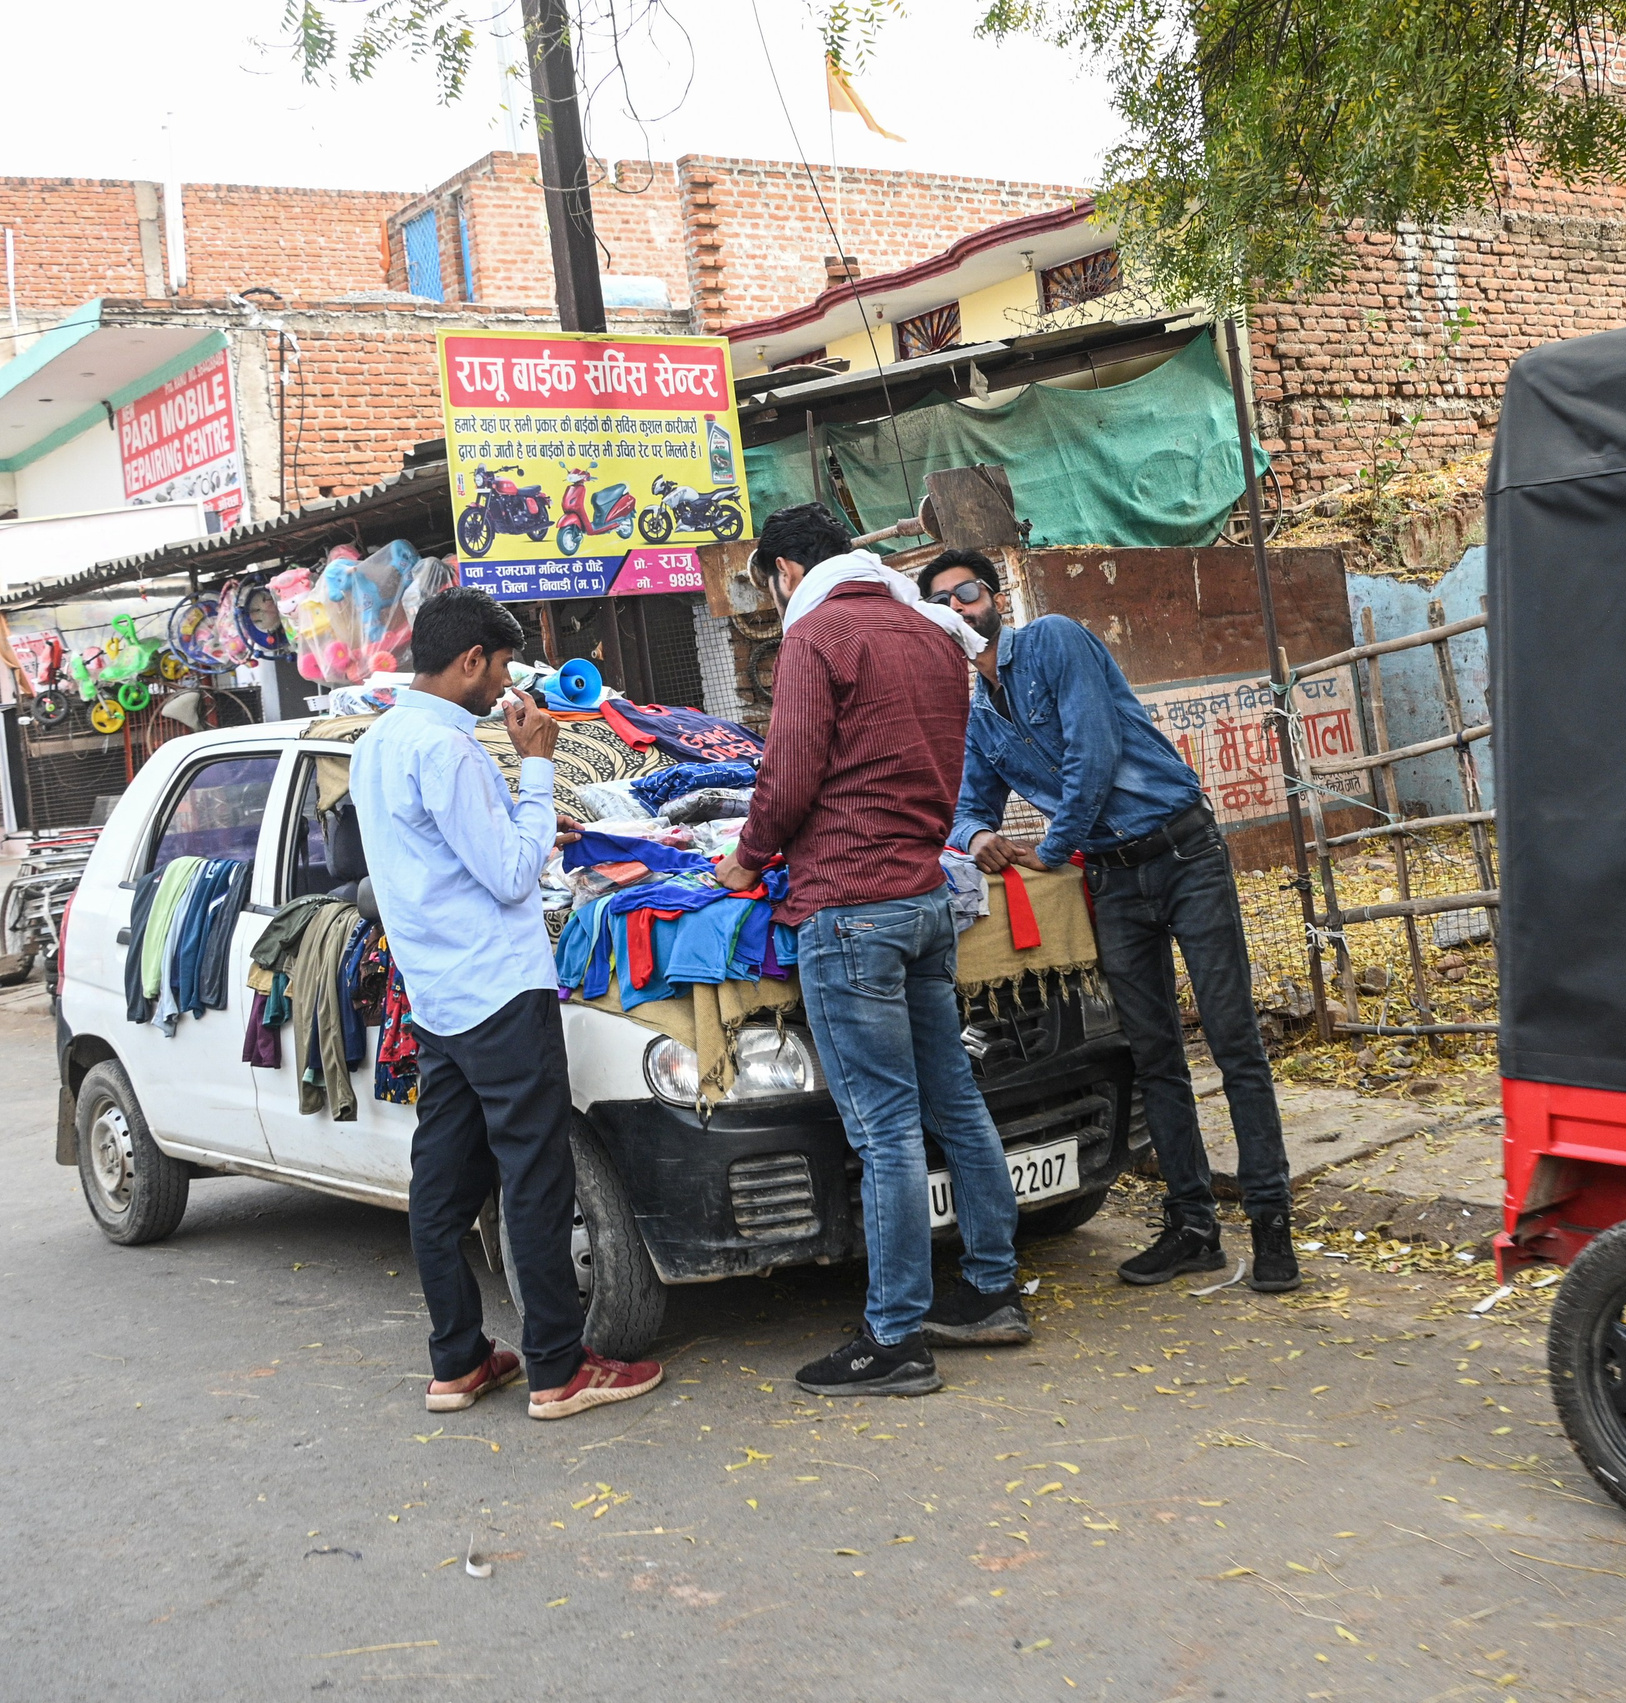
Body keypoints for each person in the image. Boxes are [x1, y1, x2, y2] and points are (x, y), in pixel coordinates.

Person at [712, 503, 1028, 1398]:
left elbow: (790, 772)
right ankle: (991, 1287)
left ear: (782, 571)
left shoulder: (820, 633)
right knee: (952, 1103)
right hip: (926, 896)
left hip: (850, 905)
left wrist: (744, 860)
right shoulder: (928, 632)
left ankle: (894, 1336)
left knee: (885, 1127)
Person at [923, 549, 1301, 1294]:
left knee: (1234, 1043)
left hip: (1184, 851)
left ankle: (1271, 1224)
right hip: (1113, 880)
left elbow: (1090, 757)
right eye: (941, 605)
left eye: (965, 593)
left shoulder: (1054, 639)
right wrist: (978, 839)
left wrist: (1052, 848)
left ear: (993, 596)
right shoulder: (981, 720)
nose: (959, 609)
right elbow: (966, 806)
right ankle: (1194, 1229)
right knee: (1153, 1054)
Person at [349, 588, 664, 1419]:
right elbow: (510, 875)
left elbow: (450, 857)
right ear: (469, 661)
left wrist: (529, 818)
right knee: (534, 1174)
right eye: (498, 670)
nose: (504, 689)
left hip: (442, 1001)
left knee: (442, 1187)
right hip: (495, 990)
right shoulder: (450, 750)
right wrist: (536, 766)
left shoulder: (379, 739)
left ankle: (458, 1359)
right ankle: (558, 1369)